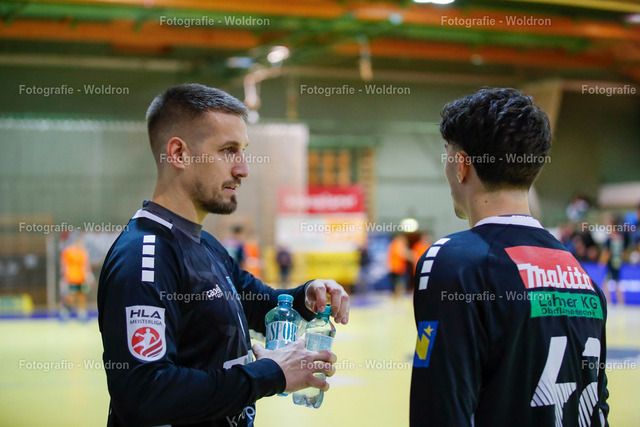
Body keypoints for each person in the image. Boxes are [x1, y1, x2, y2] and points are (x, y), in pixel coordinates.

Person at [97, 84, 350, 427]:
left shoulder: (204, 244)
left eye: (243, 151)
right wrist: (270, 374)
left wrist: (306, 296)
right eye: (228, 151)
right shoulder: (145, 256)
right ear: (179, 154)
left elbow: (257, 304)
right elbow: (145, 393)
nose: (243, 169)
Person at [411, 88, 609, 426]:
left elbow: (439, 409)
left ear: (461, 166)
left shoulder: (452, 262)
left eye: (448, 156)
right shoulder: (581, 276)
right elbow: (598, 409)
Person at [59, 236, 93, 321]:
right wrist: (64, 277)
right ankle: (65, 314)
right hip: (71, 278)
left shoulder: (83, 252)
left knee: (82, 297)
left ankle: (82, 314)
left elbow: (86, 265)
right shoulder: (68, 251)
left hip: (82, 279)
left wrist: (89, 276)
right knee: (70, 297)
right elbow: (64, 265)